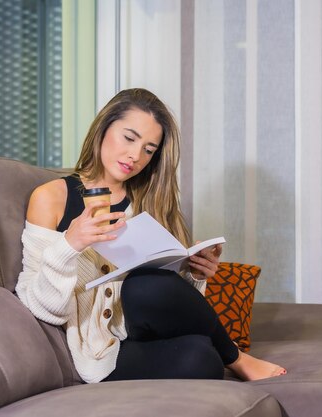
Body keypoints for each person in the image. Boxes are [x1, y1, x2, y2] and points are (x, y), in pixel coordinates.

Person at [16, 88, 286, 383]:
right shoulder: (51, 198)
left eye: (148, 149)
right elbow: (43, 309)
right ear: (103, 128)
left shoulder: (152, 202)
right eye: (129, 138)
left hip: (146, 322)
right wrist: (71, 244)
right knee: (202, 357)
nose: (135, 156)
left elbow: (173, 305)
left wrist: (196, 274)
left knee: (145, 286)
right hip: (103, 352)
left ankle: (235, 358)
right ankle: (227, 356)